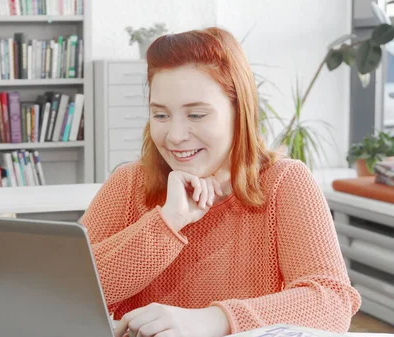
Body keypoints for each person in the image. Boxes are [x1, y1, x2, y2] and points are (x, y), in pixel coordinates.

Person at [79, 27, 361, 337]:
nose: (174, 136)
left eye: (197, 115)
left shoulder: (284, 181)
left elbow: (333, 301)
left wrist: (213, 320)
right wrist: (166, 222)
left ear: (238, 111)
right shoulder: (129, 182)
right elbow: (65, 289)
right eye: (160, 115)